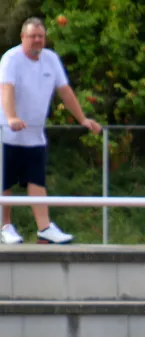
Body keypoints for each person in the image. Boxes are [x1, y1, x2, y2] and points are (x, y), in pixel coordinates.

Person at [0, 17, 102, 244]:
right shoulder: (11, 59)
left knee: (37, 181)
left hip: (35, 135)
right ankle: (4, 226)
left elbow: (65, 91)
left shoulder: (51, 59)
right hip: (7, 133)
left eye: (40, 36)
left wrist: (83, 119)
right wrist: (11, 117)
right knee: (4, 183)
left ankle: (44, 228)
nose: (37, 40)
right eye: (32, 36)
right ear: (22, 38)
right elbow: (6, 89)